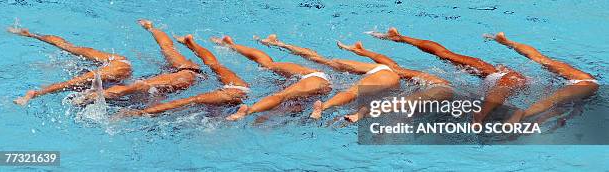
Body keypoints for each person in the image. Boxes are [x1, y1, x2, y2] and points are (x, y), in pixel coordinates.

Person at [368, 27, 527, 124]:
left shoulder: (501, 77)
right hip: (503, 80)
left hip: (494, 78)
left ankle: (399, 37)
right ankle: (398, 37)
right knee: (505, 85)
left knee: (447, 55)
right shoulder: (515, 80)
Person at [256, 34, 403, 121]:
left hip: (380, 72)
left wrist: (360, 51)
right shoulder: (393, 75)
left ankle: (279, 43)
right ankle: (324, 107)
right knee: (352, 92)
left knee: (322, 60)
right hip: (386, 75)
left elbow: (383, 60)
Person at [73, 19, 201, 105]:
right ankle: (96, 95)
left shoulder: (185, 71)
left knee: (167, 48)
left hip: (188, 71)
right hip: (188, 74)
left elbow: (166, 46)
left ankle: (150, 27)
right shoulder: (188, 77)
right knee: (142, 85)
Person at [119, 34, 250, 117]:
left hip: (237, 88)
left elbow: (180, 102)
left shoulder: (188, 70)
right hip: (238, 89)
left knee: (212, 64)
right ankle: (188, 42)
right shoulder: (189, 75)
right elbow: (179, 103)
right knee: (194, 96)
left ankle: (153, 28)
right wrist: (141, 113)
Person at [485, 32, 599, 123]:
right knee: (554, 98)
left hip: (583, 81)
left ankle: (507, 42)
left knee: (541, 59)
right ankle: (521, 114)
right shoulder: (585, 85)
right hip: (585, 82)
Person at [211, 36, 332, 121]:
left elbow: (314, 56)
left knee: (269, 67)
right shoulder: (337, 75)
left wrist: (279, 44)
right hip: (315, 79)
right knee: (280, 95)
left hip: (313, 76)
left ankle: (231, 45)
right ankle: (248, 111)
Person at [8, 26, 132, 106]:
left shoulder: (112, 75)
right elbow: (70, 83)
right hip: (117, 64)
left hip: (118, 66)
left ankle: (31, 34)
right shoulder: (112, 71)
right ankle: (31, 34)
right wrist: (35, 94)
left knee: (69, 50)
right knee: (69, 52)